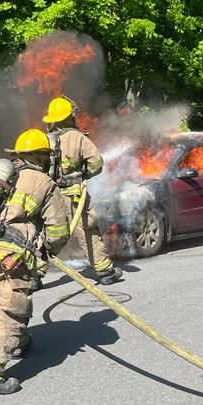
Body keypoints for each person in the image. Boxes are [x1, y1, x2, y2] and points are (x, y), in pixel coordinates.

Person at [0, 129, 70, 394]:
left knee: (2, 304)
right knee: (10, 311)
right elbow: (58, 230)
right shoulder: (43, 182)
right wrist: (46, 251)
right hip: (7, 257)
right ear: (41, 156)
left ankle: (18, 341)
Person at [43, 95, 123, 285]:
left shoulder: (45, 139)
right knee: (87, 230)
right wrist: (84, 173)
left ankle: (33, 275)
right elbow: (96, 163)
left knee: (47, 234)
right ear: (70, 116)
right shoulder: (77, 137)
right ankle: (105, 271)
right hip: (74, 197)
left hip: (50, 196)